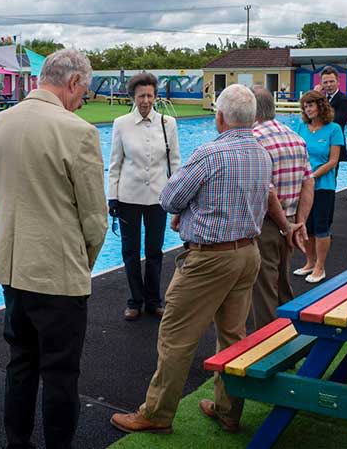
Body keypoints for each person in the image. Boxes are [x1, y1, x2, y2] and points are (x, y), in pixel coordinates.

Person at [110, 84, 272, 435]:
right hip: (248, 253)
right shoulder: (262, 154)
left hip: (210, 259)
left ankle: (157, 412)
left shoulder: (210, 154)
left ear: (220, 117)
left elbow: (169, 198)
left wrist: (189, 212)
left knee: (175, 336)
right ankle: (228, 410)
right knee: (232, 334)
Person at [0, 49, 107, 449]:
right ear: (73, 82)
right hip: (57, 275)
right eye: (83, 93)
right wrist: (81, 263)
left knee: (20, 363)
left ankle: (16, 443)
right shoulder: (77, 131)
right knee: (60, 373)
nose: (81, 101)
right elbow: (94, 219)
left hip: (12, 267)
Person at [107, 72, 181, 321]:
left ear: (155, 96)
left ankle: (153, 300)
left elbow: (175, 163)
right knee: (130, 251)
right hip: (128, 197)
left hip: (158, 198)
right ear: (133, 97)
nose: (146, 100)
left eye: (150, 95)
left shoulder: (168, 123)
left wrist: (177, 197)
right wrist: (112, 197)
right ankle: (134, 300)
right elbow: (115, 164)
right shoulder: (121, 124)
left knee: (154, 251)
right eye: (141, 96)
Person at [251, 86, 314, 328]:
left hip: (268, 223)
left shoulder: (254, 140)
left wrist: (286, 226)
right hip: (290, 219)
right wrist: (299, 223)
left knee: (264, 289)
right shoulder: (295, 137)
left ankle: (267, 351)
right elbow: (308, 181)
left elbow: (267, 191)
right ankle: (289, 336)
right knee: (282, 283)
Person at [294, 90, 344, 284]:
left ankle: (320, 267)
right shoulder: (302, 127)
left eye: (311, 105)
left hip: (323, 187)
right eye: (306, 106)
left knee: (321, 227)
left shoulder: (334, 129)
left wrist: (312, 176)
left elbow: (333, 161)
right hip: (303, 187)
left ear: (320, 106)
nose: (308, 109)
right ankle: (309, 262)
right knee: (307, 226)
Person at [320, 66, 347, 175]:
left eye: (331, 81)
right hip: (318, 144)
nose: (329, 85)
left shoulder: (345, 100)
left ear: (338, 82)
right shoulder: (319, 99)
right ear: (321, 84)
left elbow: (338, 121)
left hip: (334, 144)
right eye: (325, 82)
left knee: (331, 178)